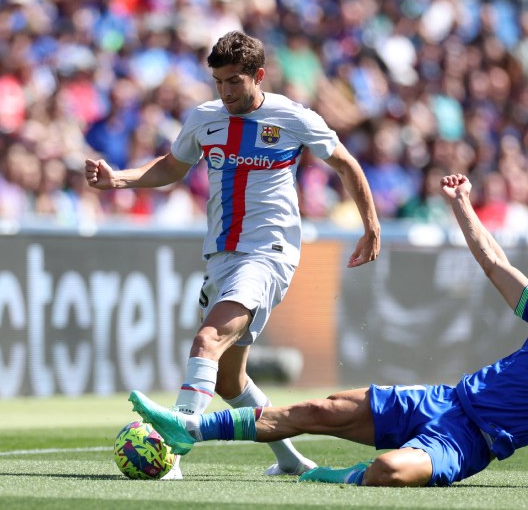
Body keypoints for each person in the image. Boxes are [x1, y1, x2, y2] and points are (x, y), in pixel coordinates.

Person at [128, 174, 528, 494]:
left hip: (469, 442)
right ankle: (189, 429)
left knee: (388, 472)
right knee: (321, 409)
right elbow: (495, 264)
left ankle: (325, 477)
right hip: (442, 399)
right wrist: (463, 205)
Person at [84, 30, 381, 479]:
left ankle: (173, 452)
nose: (225, 92)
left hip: (268, 254)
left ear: (258, 76)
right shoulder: (205, 118)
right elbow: (172, 165)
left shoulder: (293, 117)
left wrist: (371, 226)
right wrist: (118, 180)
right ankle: (291, 461)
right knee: (228, 380)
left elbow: (345, 163)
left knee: (207, 340)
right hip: (222, 256)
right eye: (219, 82)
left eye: (234, 82)